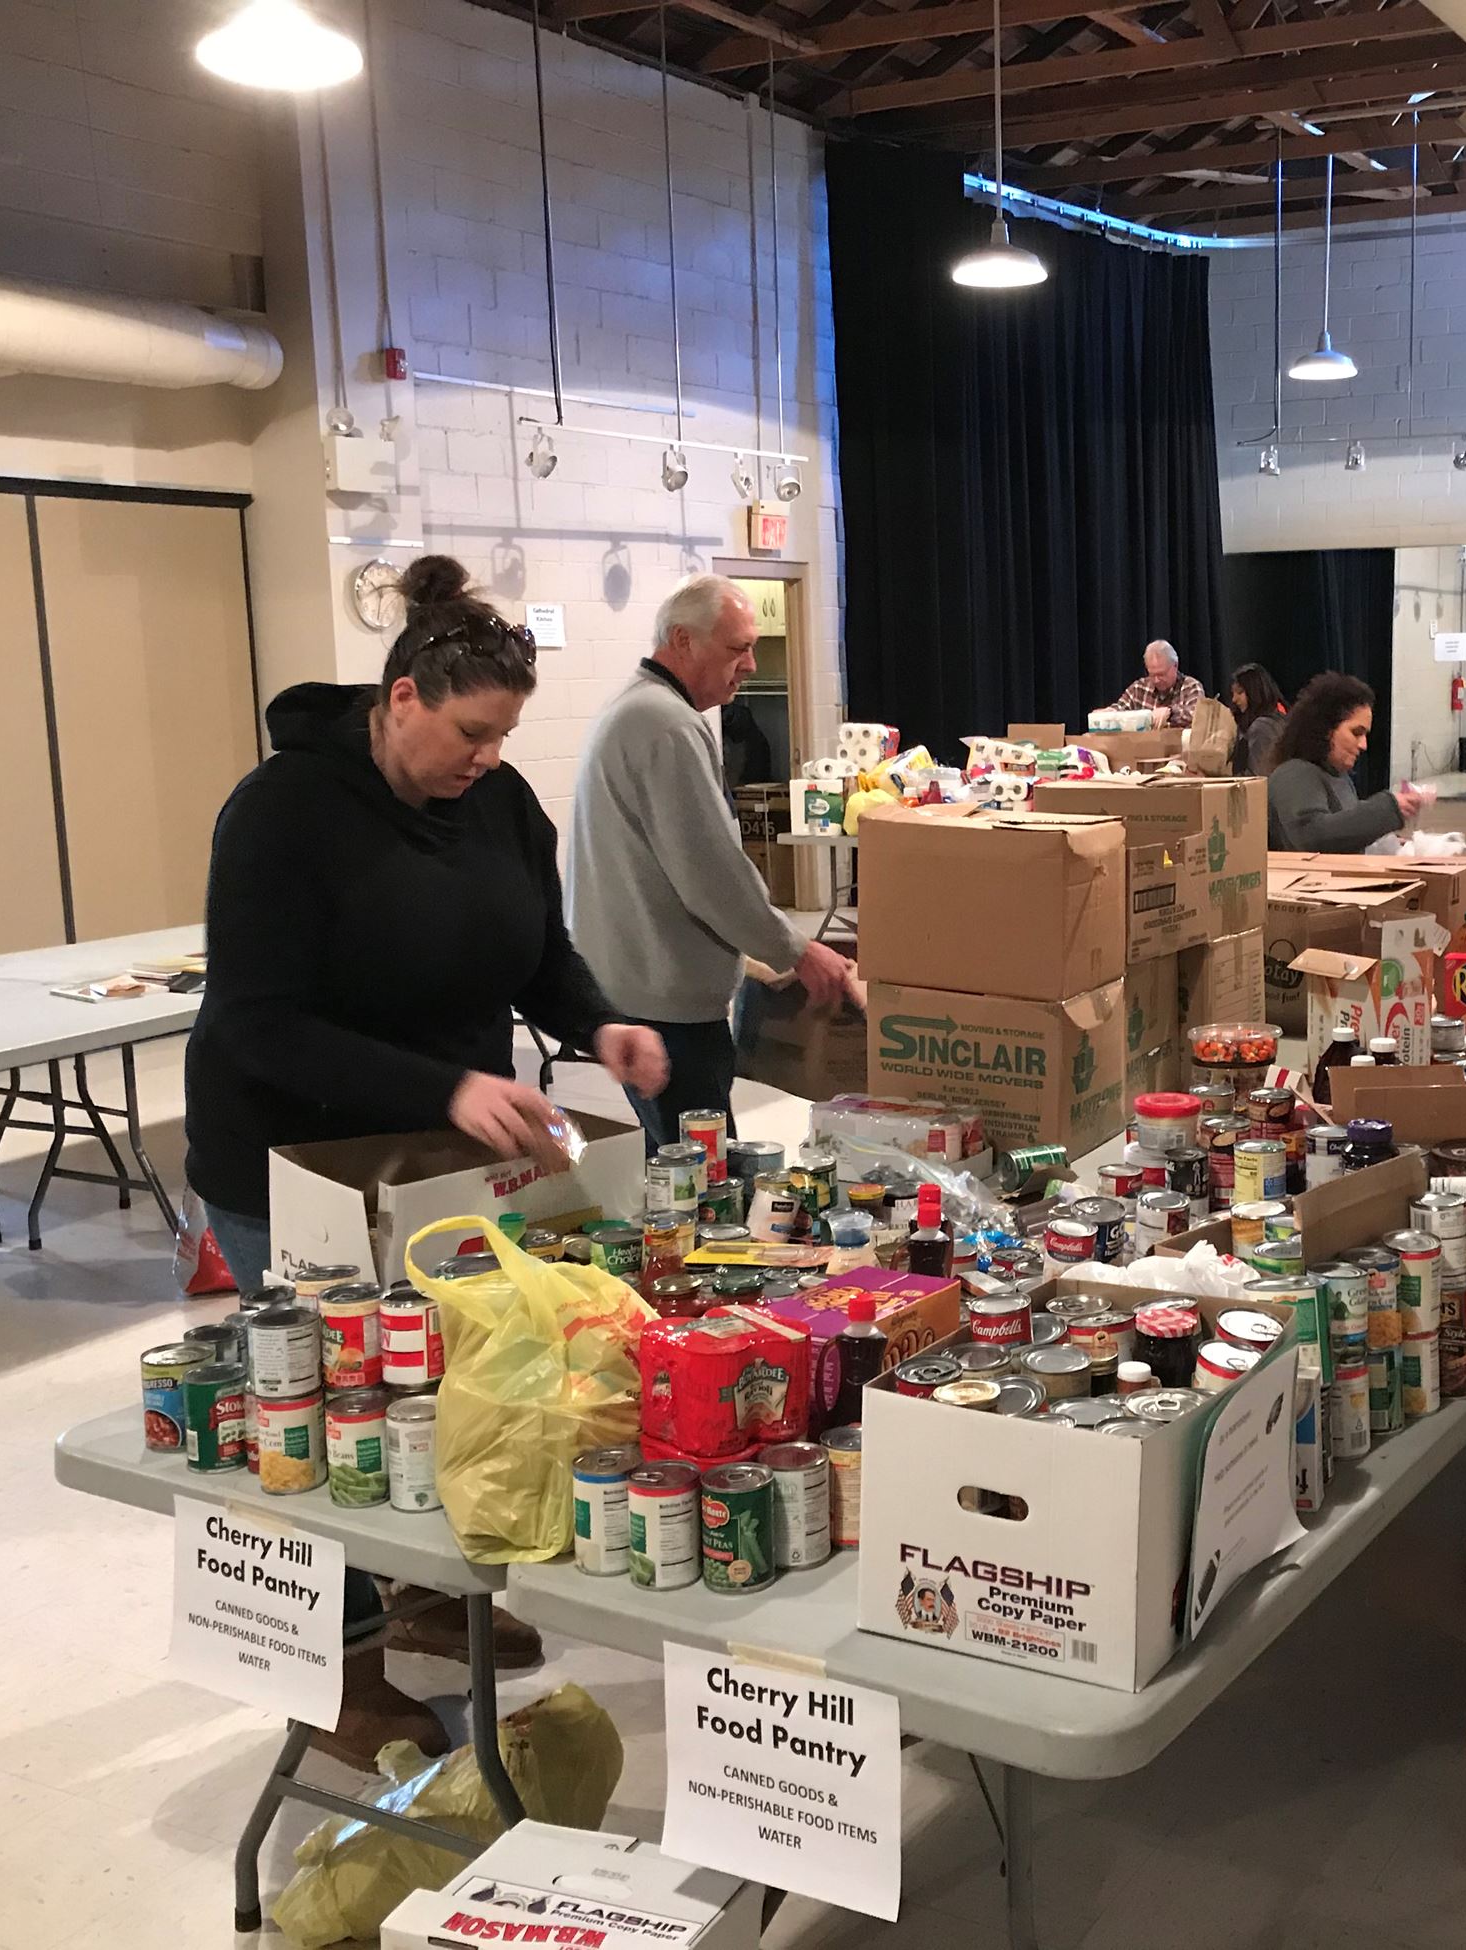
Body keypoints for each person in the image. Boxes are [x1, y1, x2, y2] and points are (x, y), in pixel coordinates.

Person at [184, 554, 669, 1764]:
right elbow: (261, 1020)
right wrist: (444, 1084)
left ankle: (425, 1597)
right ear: (400, 697)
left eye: (503, 737)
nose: (485, 759)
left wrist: (592, 1019)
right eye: (468, 732)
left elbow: (535, 949)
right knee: (318, 1409)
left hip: (435, 1160)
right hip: (287, 1161)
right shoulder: (280, 813)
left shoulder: (493, 802)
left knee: (444, 1382)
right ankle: (335, 1676)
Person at [570, 574, 855, 1150]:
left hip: (638, 987)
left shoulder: (641, 710)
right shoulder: (666, 724)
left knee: (678, 1162)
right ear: (682, 640)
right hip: (663, 1006)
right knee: (701, 1179)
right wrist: (795, 948)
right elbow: (710, 873)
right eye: (737, 648)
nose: (750, 664)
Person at [1264, 672, 1430, 850]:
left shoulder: (1338, 777)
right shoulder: (1294, 774)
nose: (1363, 745)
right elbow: (1311, 837)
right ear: (1325, 728)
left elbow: (1345, 833)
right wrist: (1389, 808)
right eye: (1356, 733)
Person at [1106, 639, 1206, 728]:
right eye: (1152, 675)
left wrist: (1170, 712)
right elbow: (1121, 707)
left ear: (1175, 665)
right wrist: (1109, 713)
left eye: (1161, 674)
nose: (1157, 680)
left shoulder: (1191, 686)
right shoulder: (1138, 688)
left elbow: (1199, 716)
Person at [1226, 662, 1288, 775]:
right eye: (1233, 693)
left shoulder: (1262, 728)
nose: (1234, 699)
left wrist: (1218, 779)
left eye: (1240, 692)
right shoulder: (1275, 719)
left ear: (1254, 691)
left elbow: (1257, 778)